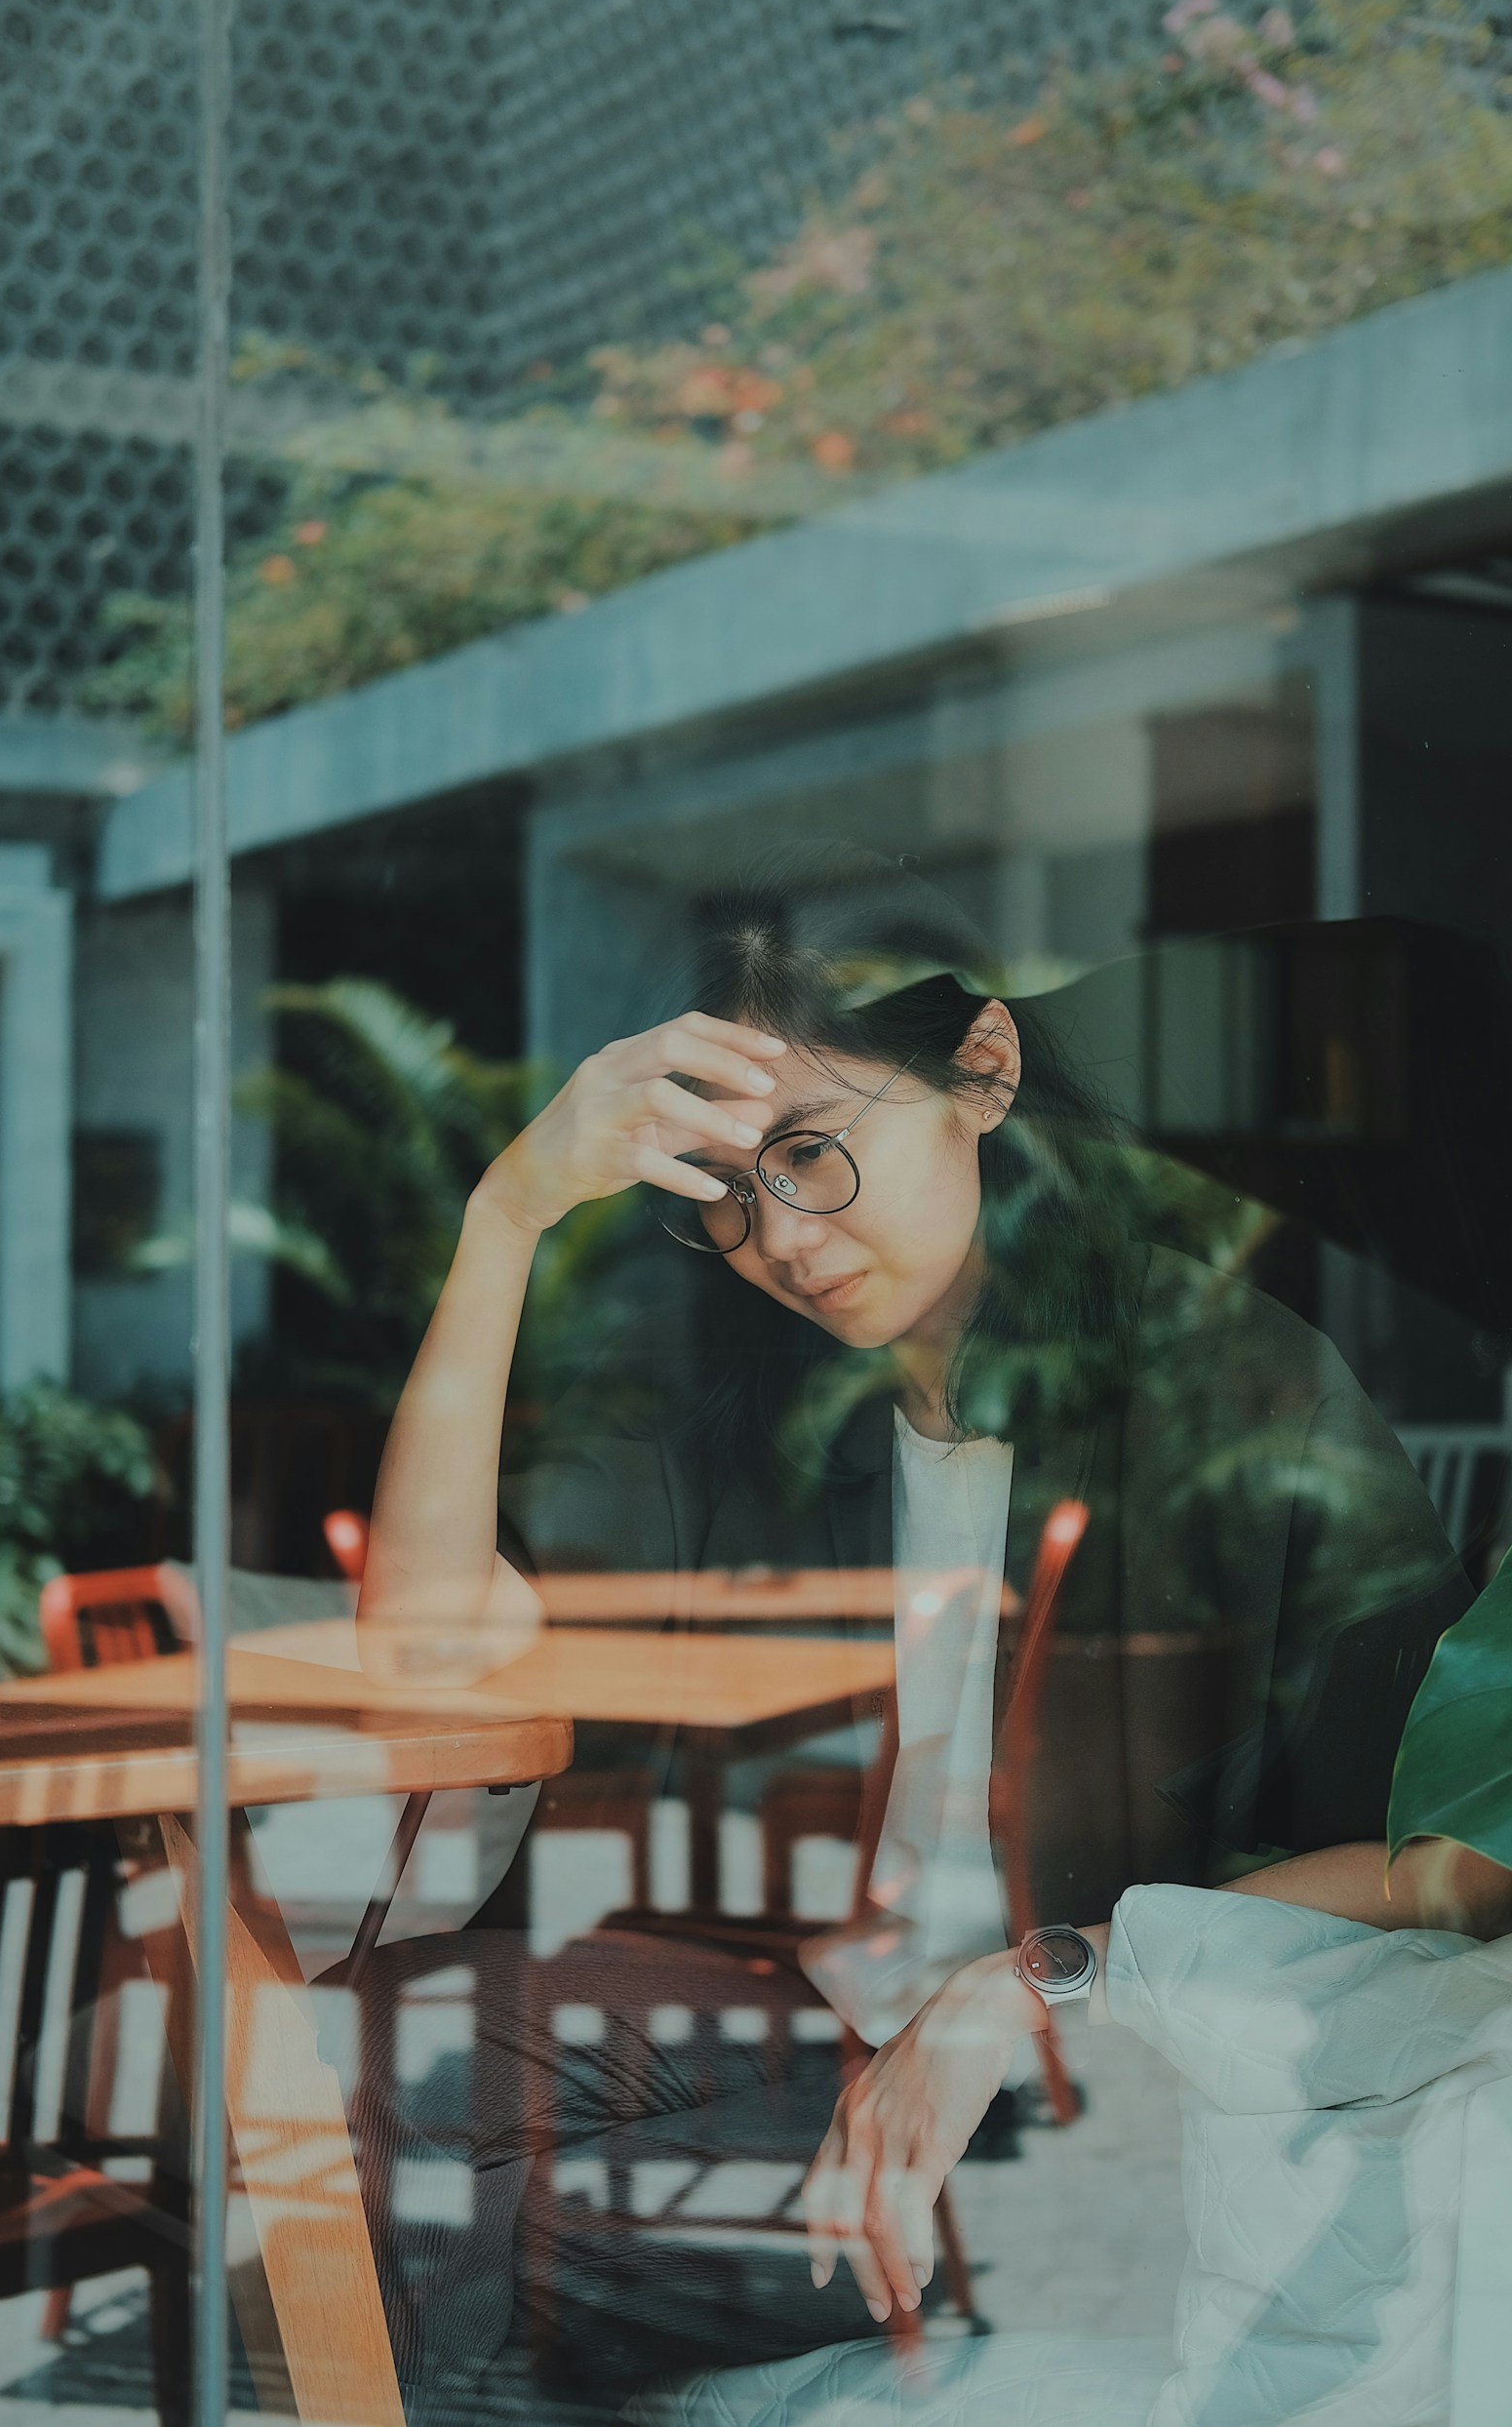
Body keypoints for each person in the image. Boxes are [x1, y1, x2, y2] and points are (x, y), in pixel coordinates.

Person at [350, 848, 1509, 2415]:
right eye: (733, 1196)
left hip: (1091, 2073)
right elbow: (422, 1640)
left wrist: (1043, 1978)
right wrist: (509, 1210)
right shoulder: (772, 1419)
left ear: (982, 1070)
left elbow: (1447, 1865)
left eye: (815, 1153)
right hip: (813, 2010)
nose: (785, 1240)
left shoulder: (1237, 1395)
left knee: (486, 2236)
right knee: (339, 2069)